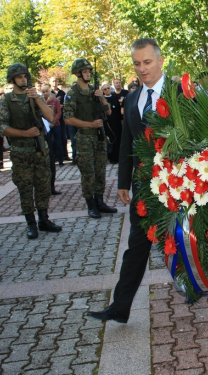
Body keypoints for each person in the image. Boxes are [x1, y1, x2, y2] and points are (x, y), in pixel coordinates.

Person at [87, 38, 167, 324]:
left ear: (160, 61)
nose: (142, 68)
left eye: (147, 62)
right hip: (144, 187)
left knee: (182, 241)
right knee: (137, 246)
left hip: (179, 187)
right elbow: (126, 145)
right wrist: (123, 181)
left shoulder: (182, 94)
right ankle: (120, 307)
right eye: (136, 63)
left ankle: (195, 285)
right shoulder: (132, 98)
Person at [0, 64, 62, 238]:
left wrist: (37, 99)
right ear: (12, 79)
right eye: (19, 77)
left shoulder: (34, 97)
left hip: (40, 150)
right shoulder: (7, 100)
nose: (23, 79)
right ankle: (31, 223)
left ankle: (44, 219)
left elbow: (50, 117)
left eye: (25, 76)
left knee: (43, 186)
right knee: (25, 189)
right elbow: (2, 126)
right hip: (21, 152)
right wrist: (24, 133)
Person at [64, 58, 117, 218]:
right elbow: (68, 119)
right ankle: (91, 204)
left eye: (89, 71)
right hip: (85, 138)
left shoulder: (95, 90)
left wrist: (101, 97)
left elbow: (108, 112)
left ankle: (100, 201)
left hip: (99, 137)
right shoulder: (73, 93)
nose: (88, 74)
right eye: (85, 72)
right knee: (88, 173)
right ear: (78, 74)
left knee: (100, 171)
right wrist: (90, 124)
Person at [41, 85, 62, 195]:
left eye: (46, 91)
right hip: (40, 134)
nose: (44, 93)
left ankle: (51, 187)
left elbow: (57, 112)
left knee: (51, 160)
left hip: (51, 129)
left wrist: (53, 122)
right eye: (42, 91)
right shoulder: (38, 102)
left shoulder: (54, 100)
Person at [101, 83, 122, 163]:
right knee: (110, 139)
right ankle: (111, 157)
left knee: (118, 139)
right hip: (107, 123)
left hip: (116, 122)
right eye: (105, 89)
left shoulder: (115, 97)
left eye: (108, 88)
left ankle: (118, 156)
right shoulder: (102, 99)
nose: (107, 90)